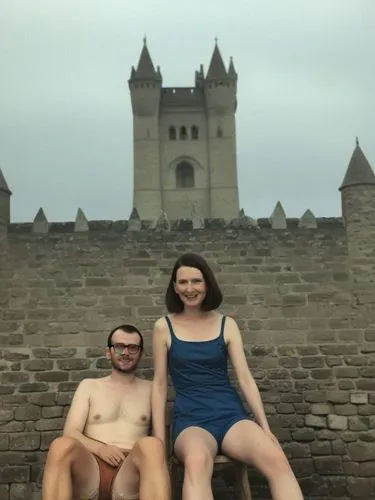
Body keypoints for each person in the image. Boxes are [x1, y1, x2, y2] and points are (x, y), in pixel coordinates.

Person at [151, 253, 304, 500]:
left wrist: (265, 428)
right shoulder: (163, 327)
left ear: (207, 284)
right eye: (183, 282)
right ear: (175, 287)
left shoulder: (227, 324)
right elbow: (159, 385)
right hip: (192, 421)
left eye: (196, 281)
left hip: (231, 416)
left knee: (276, 458)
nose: (190, 288)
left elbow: (244, 377)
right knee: (197, 462)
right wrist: (159, 439)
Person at [42, 324, 171, 500]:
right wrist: (101, 448)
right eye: (119, 347)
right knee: (61, 445)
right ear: (108, 352)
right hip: (90, 466)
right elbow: (71, 432)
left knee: (153, 445)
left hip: (129, 472)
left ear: (141, 354)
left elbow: (159, 441)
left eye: (132, 348)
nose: (125, 353)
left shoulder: (151, 389)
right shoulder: (89, 386)